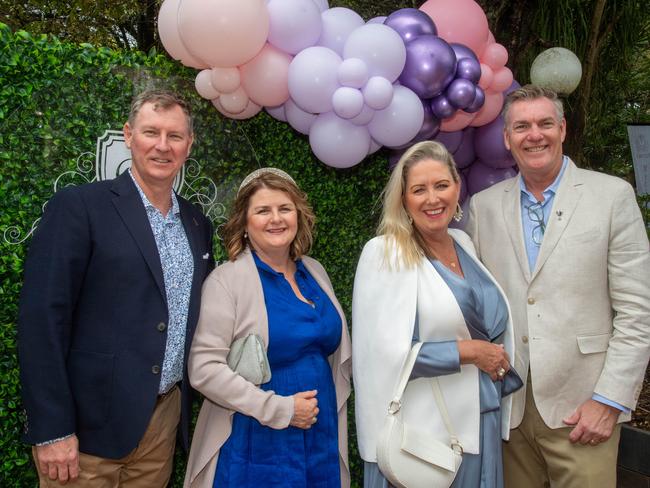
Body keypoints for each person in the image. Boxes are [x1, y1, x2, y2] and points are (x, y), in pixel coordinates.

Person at [18, 90, 215, 487]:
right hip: (86, 432)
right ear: (128, 135)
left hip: (161, 422)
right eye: (150, 132)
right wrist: (52, 429)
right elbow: (42, 320)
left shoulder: (197, 224)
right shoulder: (79, 207)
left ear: (189, 145)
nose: (163, 146)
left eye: (175, 136)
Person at [467, 84, 650, 487]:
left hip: (584, 408)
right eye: (521, 126)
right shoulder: (483, 206)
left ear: (563, 129)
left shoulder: (612, 197)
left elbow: (639, 313)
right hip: (509, 412)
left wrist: (609, 401)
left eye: (544, 123)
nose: (534, 135)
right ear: (506, 137)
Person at [353, 140, 522, 488]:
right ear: (403, 199)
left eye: (442, 185)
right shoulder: (384, 253)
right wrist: (471, 352)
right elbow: (381, 358)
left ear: (458, 188)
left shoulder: (464, 244)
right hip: (424, 440)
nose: (433, 199)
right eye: (419, 189)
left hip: (479, 420)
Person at [183, 168, 351, 488]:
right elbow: (204, 369)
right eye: (263, 211)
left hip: (319, 429)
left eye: (284, 209)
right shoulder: (227, 280)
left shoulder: (314, 272)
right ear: (245, 224)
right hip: (257, 436)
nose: (276, 218)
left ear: (298, 215)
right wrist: (280, 409)